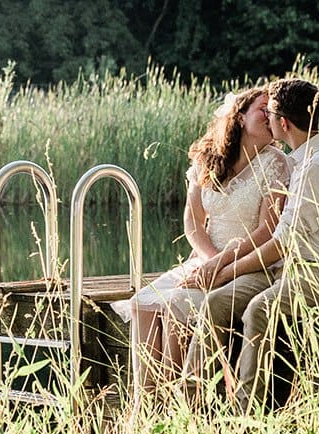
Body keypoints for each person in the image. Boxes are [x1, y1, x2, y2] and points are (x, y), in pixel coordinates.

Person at [110, 87, 290, 393]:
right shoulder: (209, 159)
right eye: (263, 109)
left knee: (176, 305)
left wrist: (221, 264)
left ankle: (174, 406)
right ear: (240, 115)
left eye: (273, 111)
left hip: (245, 264)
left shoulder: (276, 163)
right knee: (144, 302)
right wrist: (208, 260)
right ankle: (145, 403)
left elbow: (266, 230)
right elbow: (192, 223)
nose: (270, 116)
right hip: (204, 259)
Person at [197, 76, 319, 411]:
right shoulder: (301, 161)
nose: (268, 123)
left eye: (270, 116)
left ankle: (247, 417)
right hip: (289, 270)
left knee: (259, 308)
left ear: (283, 123)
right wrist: (225, 275)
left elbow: (281, 243)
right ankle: (198, 405)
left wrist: (226, 270)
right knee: (215, 304)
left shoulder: (318, 165)